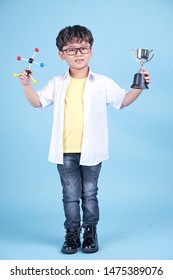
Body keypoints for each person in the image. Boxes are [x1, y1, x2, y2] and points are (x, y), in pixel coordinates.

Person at [18, 25, 150, 254]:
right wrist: (27, 85)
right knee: (70, 195)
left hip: (93, 150)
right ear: (61, 54)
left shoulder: (102, 82)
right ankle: (71, 234)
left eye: (83, 48)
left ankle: (90, 232)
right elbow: (37, 102)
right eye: (72, 50)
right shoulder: (57, 83)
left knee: (90, 193)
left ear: (91, 51)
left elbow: (123, 100)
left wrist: (139, 86)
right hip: (65, 150)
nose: (78, 53)